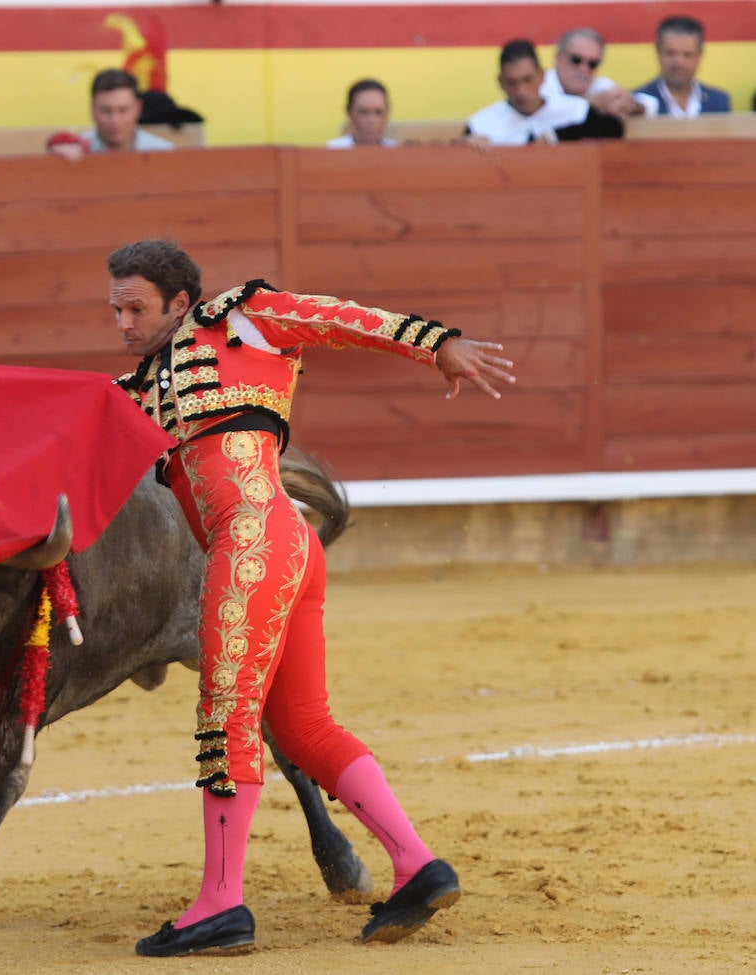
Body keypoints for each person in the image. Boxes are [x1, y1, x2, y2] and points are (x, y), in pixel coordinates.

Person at [106, 239, 516, 956]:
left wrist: (436, 343)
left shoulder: (243, 317)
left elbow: (343, 318)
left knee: (226, 711)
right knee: (300, 727)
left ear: (179, 302)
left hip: (256, 537)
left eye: (135, 307)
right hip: (286, 543)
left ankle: (220, 903)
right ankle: (417, 865)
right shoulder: (136, 391)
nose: (122, 323)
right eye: (114, 309)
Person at [466, 40, 623, 145]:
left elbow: (614, 129)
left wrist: (556, 136)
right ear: (500, 82)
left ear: (542, 76)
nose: (521, 91)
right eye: (512, 82)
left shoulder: (574, 110)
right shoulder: (481, 124)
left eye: (528, 80)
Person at [46, 69, 174, 160]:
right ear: (92, 110)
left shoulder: (163, 153)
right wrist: (57, 163)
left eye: (123, 110)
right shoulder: (74, 152)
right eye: (106, 111)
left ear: (138, 108)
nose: (115, 121)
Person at [633, 16, 731, 117]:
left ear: (700, 56)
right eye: (670, 53)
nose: (679, 62)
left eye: (688, 54)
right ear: (658, 52)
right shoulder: (637, 103)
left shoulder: (719, 101)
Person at [542, 28, 641, 117]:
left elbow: (649, 103)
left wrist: (631, 105)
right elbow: (546, 113)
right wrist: (591, 104)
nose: (584, 69)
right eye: (576, 60)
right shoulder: (540, 84)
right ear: (558, 57)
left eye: (592, 64)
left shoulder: (600, 85)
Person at [326, 79, 397, 148]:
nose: (371, 120)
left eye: (378, 112)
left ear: (388, 112)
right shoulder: (331, 151)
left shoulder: (397, 152)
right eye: (363, 112)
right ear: (349, 112)